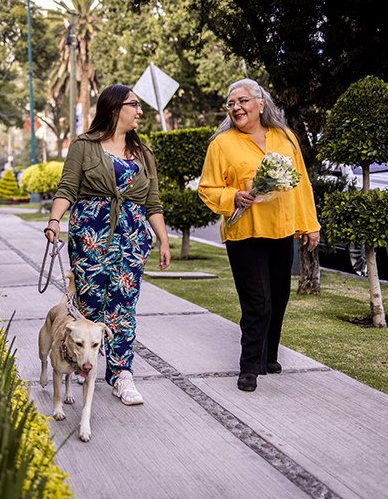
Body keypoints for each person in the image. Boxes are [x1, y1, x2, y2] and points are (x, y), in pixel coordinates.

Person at [44, 84, 171, 405]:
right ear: (115, 108)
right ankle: (76, 366)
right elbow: (67, 187)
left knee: (123, 307)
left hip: (131, 239)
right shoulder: (84, 146)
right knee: (87, 306)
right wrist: (54, 221)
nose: (140, 112)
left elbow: (152, 204)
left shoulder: (144, 154)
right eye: (134, 105)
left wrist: (164, 240)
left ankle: (121, 375)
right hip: (90, 236)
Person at [198, 78, 320, 392]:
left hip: (281, 230)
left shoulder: (285, 137)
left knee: (278, 298)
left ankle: (269, 355)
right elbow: (208, 188)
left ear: (260, 103)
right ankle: (249, 366)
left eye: (243, 101)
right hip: (245, 232)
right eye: (231, 103)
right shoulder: (222, 144)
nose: (236, 107)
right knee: (258, 301)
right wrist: (233, 197)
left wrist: (310, 225)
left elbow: (301, 183)